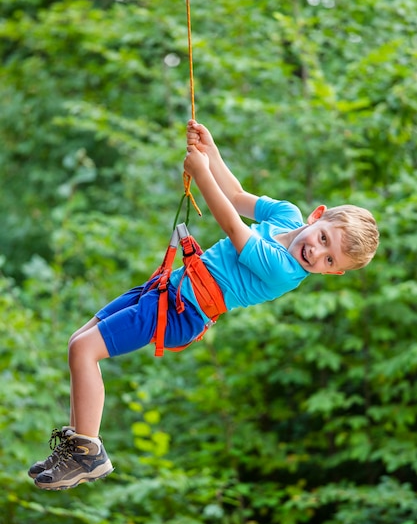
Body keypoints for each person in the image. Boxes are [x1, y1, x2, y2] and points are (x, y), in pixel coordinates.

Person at [28, 119, 379, 490]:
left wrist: (200, 173)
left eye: (329, 261)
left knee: (85, 350)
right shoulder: (286, 214)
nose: (316, 253)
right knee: (77, 342)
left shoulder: (284, 271)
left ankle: (89, 451)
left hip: (184, 310)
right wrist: (210, 153)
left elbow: (231, 224)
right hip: (168, 288)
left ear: (333, 273)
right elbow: (238, 196)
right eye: (323, 239)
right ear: (317, 216)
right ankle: (76, 443)